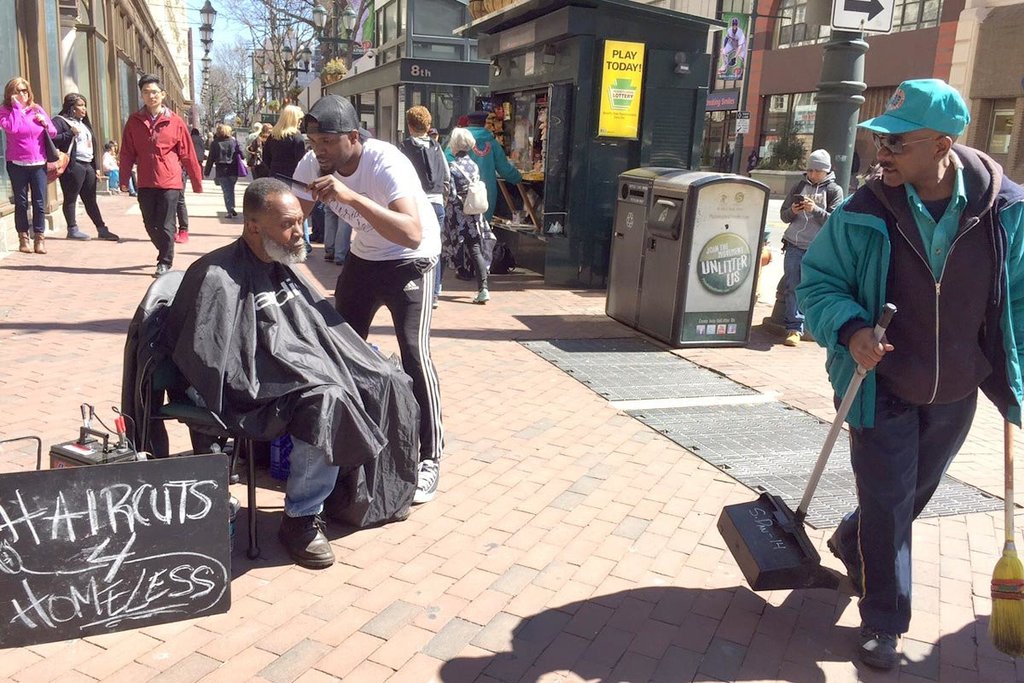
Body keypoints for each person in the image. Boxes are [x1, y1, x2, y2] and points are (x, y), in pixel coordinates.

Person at [797, 79, 1024, 670]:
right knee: (891, 502)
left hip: (958, 390)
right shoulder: (861, 213)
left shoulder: (1006, 212)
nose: (884, 152)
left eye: (900, 142)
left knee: (909, 498)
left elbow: (1020, 302)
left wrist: (1015, 376)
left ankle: (853, 539)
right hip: (881, 387)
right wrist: (851, 331)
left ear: (944, 144)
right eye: (881, 140)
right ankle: (884, 622)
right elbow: (818, 284)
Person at [165, 178, 420, 569]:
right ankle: (300, 517)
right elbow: (213, 361)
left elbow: (313, 327)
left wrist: (331, 359)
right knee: (327, 399)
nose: (299, 231)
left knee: (384, 377)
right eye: (288, 224)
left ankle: (350, 494)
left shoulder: (283, 264)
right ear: (253, 226)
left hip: (291, 370)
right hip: (249, 389)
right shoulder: (215, 275)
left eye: (299, 221)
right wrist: (296, 370)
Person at [293, 95, 444, 505]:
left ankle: (430, 457)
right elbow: (294, 216)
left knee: (414, 353)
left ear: (353, 138)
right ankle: (349, 442)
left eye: (326, 141)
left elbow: (411, 232)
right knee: (341, 350)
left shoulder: (384, 162)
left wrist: (349, 196)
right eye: (312, 141)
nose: (318, 150)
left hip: (412, 260)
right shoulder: (312, 166)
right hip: (364, 259)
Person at [119, 73, 203, 277]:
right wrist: (123, 179)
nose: (151, 96)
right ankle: (164, 247)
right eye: (146, 92)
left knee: (166, 223)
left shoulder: (175, 122)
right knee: (150, 223)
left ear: (163, 94)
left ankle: (165, 261)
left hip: (170, 181)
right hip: (146, 181)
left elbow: (188, 153)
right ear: (141, 95)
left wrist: (196, 181)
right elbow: (127, 152)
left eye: (154, 92)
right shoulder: (134, 121)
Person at [778, 149, 843, 346]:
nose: (813, 175)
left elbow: (834, 221)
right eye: (810, 170)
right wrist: (793, 210)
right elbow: (783, 215)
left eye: (817, 171)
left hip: (818, 248)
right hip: (794, 244)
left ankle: (811, 327)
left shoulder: (834, 191)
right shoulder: (799, 185)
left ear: (827, 171)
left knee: (815, 288)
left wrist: (814, 210)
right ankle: (794, 328)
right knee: (793, 286)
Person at [400, 106, 450, 308]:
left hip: (414, 203)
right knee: (434, 247)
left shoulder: (404, 147)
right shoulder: (436, 147)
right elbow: (446, 175)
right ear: (428, 125)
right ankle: (435, 292)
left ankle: (410, 285)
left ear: (410, 126)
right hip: (437, 203)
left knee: (409, 245)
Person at [52, 93, 119, 242]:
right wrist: (69, 134)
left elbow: (93, 145)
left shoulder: (83, 123)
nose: (84, 109)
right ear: (71, 107)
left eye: (84, 105)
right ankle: (72, 229)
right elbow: (51, 138)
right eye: (80, 105)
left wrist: (95, 167)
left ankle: (102, 229)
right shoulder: (60, 121)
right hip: (73, 166)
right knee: (71, 198)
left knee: (90, 199)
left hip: (87, 165)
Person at [0, 77, 57, 254]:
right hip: (17, 163)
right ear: (10, 93)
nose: (22, 94)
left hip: (38, 162)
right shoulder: (5, 111)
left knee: (39, 202)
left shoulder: (36, 109)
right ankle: (23, 237)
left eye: (25, 90)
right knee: (21, 202)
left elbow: (53, 133)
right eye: (18, 91)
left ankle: (39, 238)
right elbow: (12, 128)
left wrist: (45, 123)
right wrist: (17, 108)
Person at [444, 127, 494, 305]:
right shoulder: (473, 166)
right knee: (475, 250)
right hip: (473, 214)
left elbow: (451, 195)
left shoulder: (452, 167)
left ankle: (435, 290)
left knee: (446, 248)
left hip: (457, 216)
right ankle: (483, 288)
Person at [460, 111, 522, 225]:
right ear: (484, 123)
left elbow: (446, 162)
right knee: (482, 227)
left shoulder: (458, 141)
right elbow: (504, 169)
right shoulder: (492, 143)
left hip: (461, 191)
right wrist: (518, 177)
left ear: (468, 123)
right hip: (485, 194)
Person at [204, 123, 242, 219]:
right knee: (231, 189)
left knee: (226, 190)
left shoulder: (215, 143)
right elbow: (242, 155)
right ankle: (231, 207)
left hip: (221, 170)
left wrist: (206, 172)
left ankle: (230, 210)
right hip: (233, 170)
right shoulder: (233, 142)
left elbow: (210, 158)